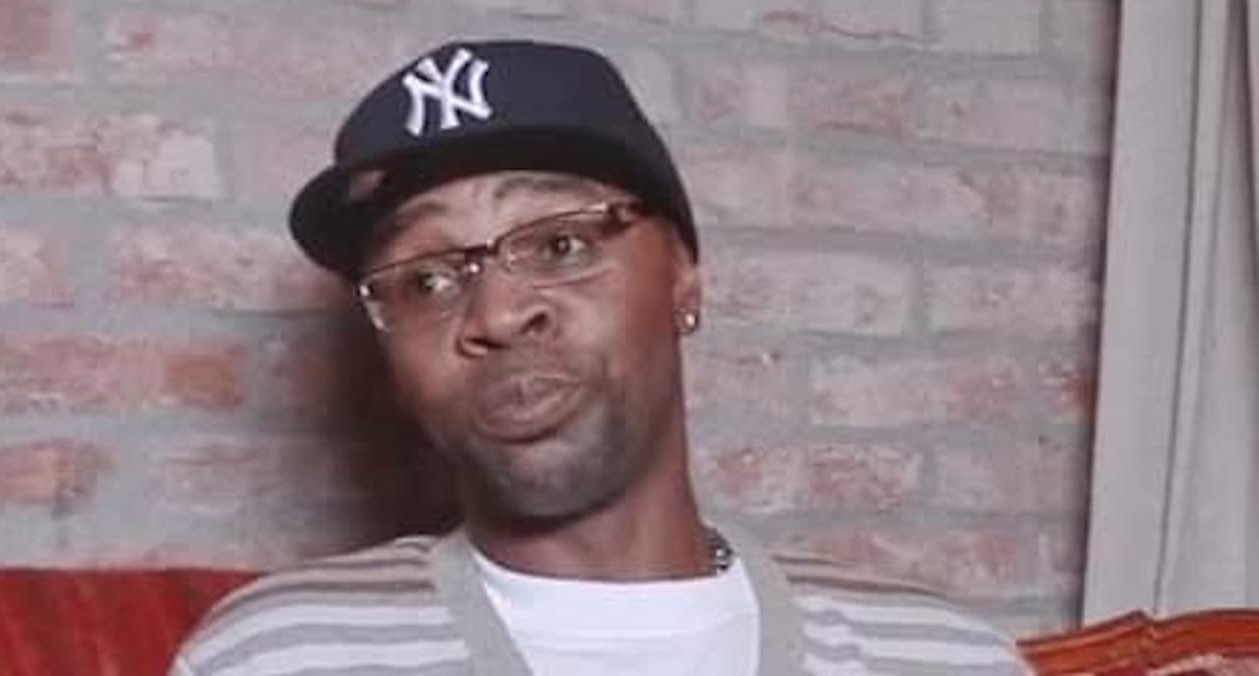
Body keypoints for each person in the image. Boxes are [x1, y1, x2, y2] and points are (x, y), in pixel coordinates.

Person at [171, 39, 1031, 675]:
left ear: (683, 275)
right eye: (426, 279)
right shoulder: (278, 657)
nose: (497, 313)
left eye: (561, 244)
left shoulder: (936, 656)